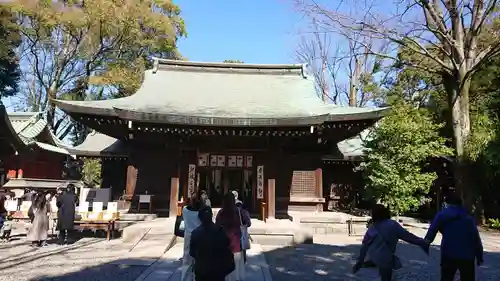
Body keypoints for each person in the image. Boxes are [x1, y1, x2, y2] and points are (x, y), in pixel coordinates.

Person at [353, 204, 429, 281]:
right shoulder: (393, 225)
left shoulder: (372, 228)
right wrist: (422, 242)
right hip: (385, 258)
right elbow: (408, 236)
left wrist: (360, 261)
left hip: (373, 258)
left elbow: (365, 245)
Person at [425, 192, 483, 281]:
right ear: (461, 203)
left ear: (447, 203)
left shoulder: (441, 215)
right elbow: (475, 239)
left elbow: (432, 231)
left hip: (448, 253)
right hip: (467, 255)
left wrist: (425, 243)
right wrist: (479, 256)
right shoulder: (468, 218)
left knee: (446, 278)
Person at [190, 205, 235, 281]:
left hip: (202, 270)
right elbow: (227, 245)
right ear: (211, 216)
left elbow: (192, 252)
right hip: (218, 270)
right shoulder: (220, 231)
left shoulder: (195, 233)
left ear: (199, 217)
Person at [216, 192, 251, 281]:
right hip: (236, 244)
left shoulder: (221, 213)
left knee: (226, 272)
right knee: (237, 271)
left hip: (224, 246)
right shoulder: (239, 212)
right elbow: (248, 223)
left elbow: (216, 227)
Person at [181, 193, 204, 281]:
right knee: (199, 260)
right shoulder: (201, 211)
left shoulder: (185, 210)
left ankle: (185, 278)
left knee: (187, 260)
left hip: (188, 236)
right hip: (200, 236)